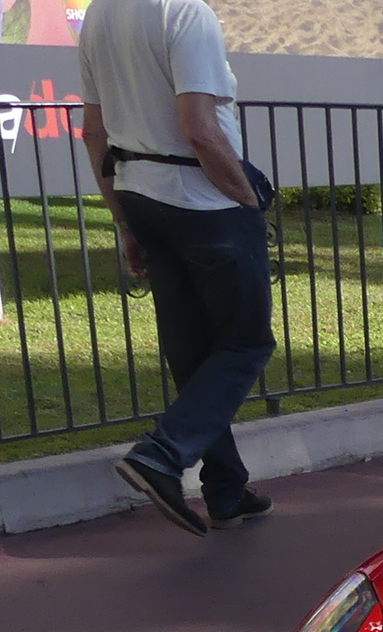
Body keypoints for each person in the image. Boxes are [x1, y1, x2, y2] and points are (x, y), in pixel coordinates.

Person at [80, 0, 273, 538]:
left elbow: (93, 132)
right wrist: (246, 201)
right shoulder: (186, 12)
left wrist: (124, 222)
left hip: (140, 194)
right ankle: (161, 456)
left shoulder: (99, 13)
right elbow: (200, 128)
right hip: (204, 204)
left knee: (193, 353)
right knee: (245, 343)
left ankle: (227, 491)